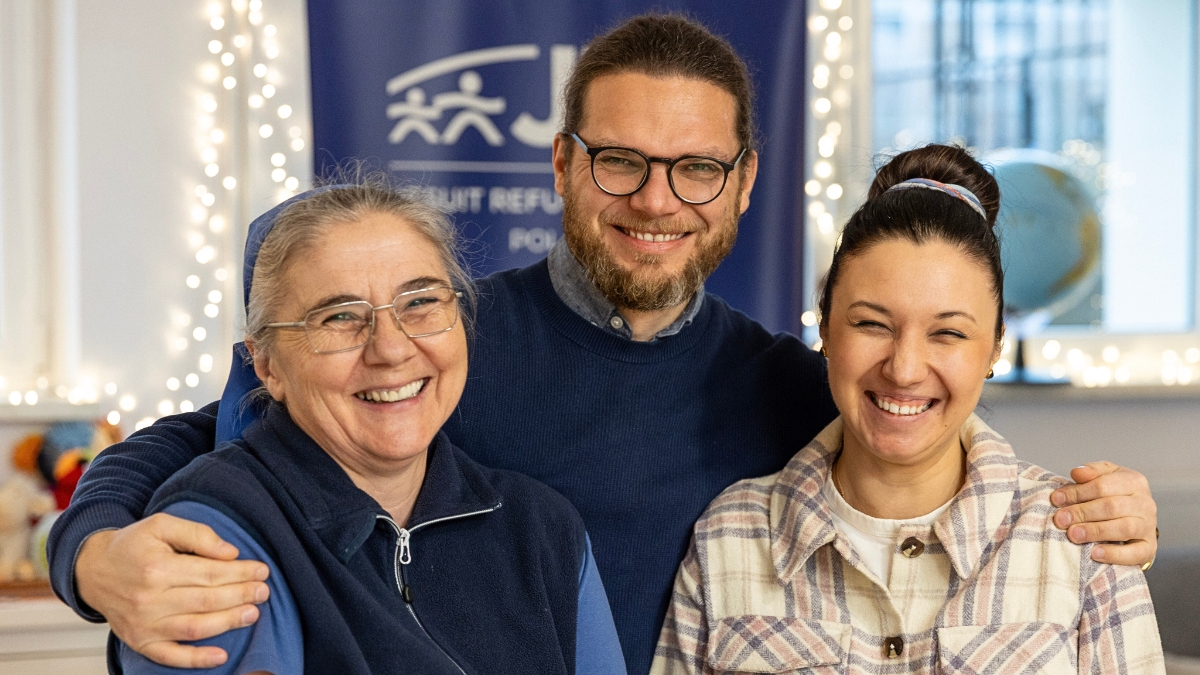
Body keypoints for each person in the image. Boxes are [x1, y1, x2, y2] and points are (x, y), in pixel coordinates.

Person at [48, 14, 1159, 675]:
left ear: (743, 184)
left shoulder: (787, 382)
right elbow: (209, 440)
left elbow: (919, 409)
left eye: (695, 168)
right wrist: (94, 555)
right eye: (620, 160)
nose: (655, 200)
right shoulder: (438, 345)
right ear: (565, 166)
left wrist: (1099, 508)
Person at [653, 145, 1164, 674]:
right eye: (872, 324)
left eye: (948, 333)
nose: (904, 369)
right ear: (825, 327)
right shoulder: (729, 538)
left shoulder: (1080, 546)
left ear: (993, 347)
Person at [115, 182, 626, 674]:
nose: (392, 349)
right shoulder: (218, 531)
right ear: (267, 365)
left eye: (421, 302)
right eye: (339, 317)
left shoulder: (541, 528)